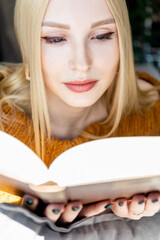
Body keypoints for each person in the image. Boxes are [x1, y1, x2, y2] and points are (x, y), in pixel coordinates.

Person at [0, 0, 160, 238]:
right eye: (56, 39)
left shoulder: (152, 112)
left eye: (102, 36)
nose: (82, 64)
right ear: (26, 45)